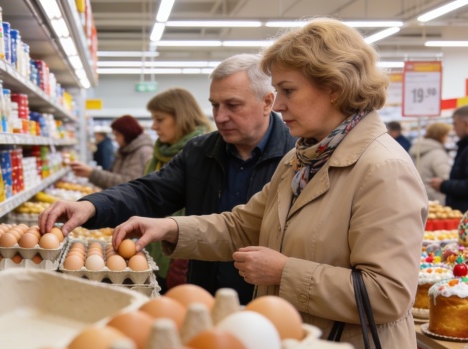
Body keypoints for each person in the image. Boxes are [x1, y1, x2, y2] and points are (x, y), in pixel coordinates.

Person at [110, 19, 427, 349]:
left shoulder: (382, 168)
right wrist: (168, 226)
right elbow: (242, 224)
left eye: (288, 90)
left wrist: (283, 271)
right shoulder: (302, 160)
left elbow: (388, 294)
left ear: (334, 86)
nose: (277, 104)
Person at [39, 54, 297, 304]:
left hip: (270, 300)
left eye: (233, 105)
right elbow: (149, 191)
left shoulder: (297, 156)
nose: (220, 117)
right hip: (203, 294)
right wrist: (92, 206)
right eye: (215, 105)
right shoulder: (200, 152)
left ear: (267, 102)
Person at [143, 87, 215, 291]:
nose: (154, 126)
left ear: (181, 116)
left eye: (160, 119)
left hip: (186, 251)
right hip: (153, 246)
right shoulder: (158, 153)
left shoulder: (205, 152)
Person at [70, 115, 152, 189]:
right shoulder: (126, 150)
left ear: (127, 133)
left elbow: (129, 184)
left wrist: (92, 174)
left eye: (117, 135)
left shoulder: (143, 152)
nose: (114, 139)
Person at [410, 122, 452, 203]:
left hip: (417, 194)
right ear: (441, 135)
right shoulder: (438, 153)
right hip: (434, 198)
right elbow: (446, 176)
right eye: (446, 135)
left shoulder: (416, 149)